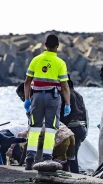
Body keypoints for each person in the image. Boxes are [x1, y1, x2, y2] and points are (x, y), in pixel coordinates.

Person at [23, 34, 71, 170]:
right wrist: (67, 104)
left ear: (45, 45)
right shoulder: (60, 63)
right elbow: (65, 85)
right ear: (57, 46)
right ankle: (47, 159)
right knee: (50, 129)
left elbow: (27, 82)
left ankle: (30, 160)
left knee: (34, 128)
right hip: (53, 97)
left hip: (36, 97)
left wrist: (27, 99)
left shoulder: (36, 60)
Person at [59, 74, 88, 173]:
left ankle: (74, 174)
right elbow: (85, 113)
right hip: (81, 128)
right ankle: (74, 173)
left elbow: (67, 115)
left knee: (70, 156)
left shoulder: (66, 95)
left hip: (73, 127)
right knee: (73, 154)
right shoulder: (78, 95)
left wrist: (61, 128)